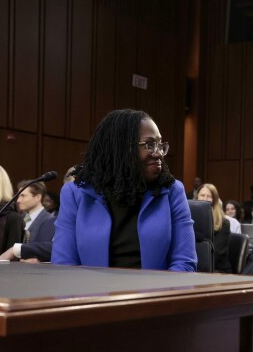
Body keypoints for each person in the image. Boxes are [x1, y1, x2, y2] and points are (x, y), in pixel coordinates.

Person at [52, 109, 196, 271]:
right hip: (92, 294)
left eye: (160, 145)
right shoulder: (75, 193)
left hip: (156, 293)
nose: (158, 153)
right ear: (121, 148)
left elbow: (184, 263)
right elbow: (63, 265)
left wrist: (156, 296)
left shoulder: (172, 191)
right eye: (149, 145)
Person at [0, 180, 56, 262]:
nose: (18, 200)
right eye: (18, 196)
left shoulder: (50, 221)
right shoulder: (20, 218)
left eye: (23, 196)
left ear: (38, 197)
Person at [195, 183, 238, 273]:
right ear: (197, 197)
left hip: (218, 269)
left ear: (214, 200)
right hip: (195, 266)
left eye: (209, 196)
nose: (205, 199)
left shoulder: (224, 223)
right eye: (202, 195)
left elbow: (216, 254)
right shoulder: (189, 219)